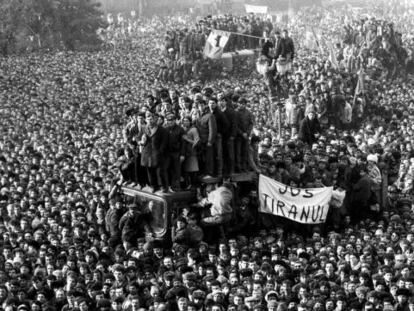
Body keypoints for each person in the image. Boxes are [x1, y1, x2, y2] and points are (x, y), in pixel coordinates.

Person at [139, 112, 168, 193]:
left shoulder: (162, 130)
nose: (150, 120)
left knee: (160, 172)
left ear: (155, 119)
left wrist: (160, 151)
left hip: (157, 154)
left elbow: (164, 142)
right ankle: (153, 186)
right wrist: (141, 141)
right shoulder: (143, 128)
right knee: (150, 172)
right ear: (146, 119)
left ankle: (162, 186)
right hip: (147, 154)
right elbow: (138, 138)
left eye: (152, 118)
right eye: (148, 118)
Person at [164, 113, 185, 192]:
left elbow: (183, 143)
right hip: (167, 153)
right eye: (169, 120)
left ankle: (176, 187)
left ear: (175, 120)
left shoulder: (180, 129)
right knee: (167, 170)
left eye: (172, 120)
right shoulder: (165, 129)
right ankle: (168, 186)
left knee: (176, 171)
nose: (170, 122)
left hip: (177, 153)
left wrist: (182, 154)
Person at [196, 100, 217, 178]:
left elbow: (212, 130)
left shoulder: (210, 116)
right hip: (201, 141)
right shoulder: (198, 116)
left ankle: (210, 173)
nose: (201, 107)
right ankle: (204, 173)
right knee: (203, 158)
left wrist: (210, 141)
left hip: (207, 140)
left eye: (202, 105)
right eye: (199, 106)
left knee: (209, 158)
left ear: (205, 106)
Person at [181, 117, 200, 189]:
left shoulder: (193, 129)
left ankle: (194, 185)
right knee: (185, 171)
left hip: (192, 152)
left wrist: (187, 139)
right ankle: (187, 185)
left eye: (187, 121)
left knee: (192, 170)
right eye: (184, 121)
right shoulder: (182, 129)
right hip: (184, 153)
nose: (185, 122)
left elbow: (197, 142)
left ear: (190, 122)